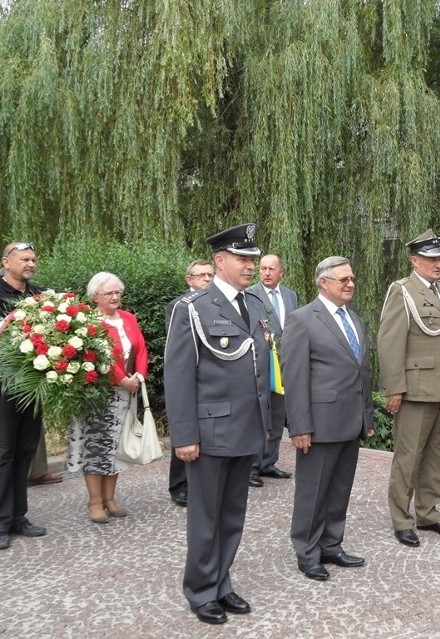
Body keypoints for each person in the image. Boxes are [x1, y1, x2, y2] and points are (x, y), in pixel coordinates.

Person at [164, 223, 270, 625]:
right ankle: (200, 589)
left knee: (232, 515)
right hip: (208, 433)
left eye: (253, 260)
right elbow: (178, 377)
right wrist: (185, 436)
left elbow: (260, 369)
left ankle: (222, 582)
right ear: (220, 260)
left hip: (245, 429)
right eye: (243, 259)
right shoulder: (192, 308)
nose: (249, 266)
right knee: (206, 516)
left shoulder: (255, 305)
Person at [281, 256, 374, 581]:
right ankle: (307, 552)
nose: (350, 284)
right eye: (343, 279)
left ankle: (331, 544)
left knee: (339, 489)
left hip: (350, 422)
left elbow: (361, 371)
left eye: (352, 278)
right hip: (318, 425)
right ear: (323, 282)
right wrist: (300, 425)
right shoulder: (302, 320)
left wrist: (367, 418)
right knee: (313, 491)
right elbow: (294, 377)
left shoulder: (355, 319)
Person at [378, 230, 440, 548]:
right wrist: (394, 388)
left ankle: (428, 512)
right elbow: (389, 342)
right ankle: (401, 518)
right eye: (430, 258)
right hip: (415, 388)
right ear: (415, 261)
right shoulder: (402, 291)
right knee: (408, 456)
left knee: (437, 455)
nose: (437, 264)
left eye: (439, 258)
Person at [0, 242, 46, 550]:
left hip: (32, 388)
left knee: (25, 452)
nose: (30, 264)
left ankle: (19, 517)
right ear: (6, 262)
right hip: (0, 387)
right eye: (24, 259)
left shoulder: (40, 294)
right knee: (2, 455)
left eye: (33, 259)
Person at [65, 272, 148, 524]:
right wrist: (121, 379)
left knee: (116, 448)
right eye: (108, 293)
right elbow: (98, 356)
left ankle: (110, 499)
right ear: (95, 297)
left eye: (117, 292)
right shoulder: (89, 322)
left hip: (128, 392)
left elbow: (142, 349)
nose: (114, 297)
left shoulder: (128, 318)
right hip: (99, 393)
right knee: (97, 447)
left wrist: (139, 377)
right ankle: (95, 502)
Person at [164, 259, 214, 507]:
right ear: (189, 279)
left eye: (210, 275)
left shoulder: (216, 304)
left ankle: (198, 485)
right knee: (185, 435)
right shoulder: (178, 306)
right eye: (201, 275)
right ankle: (179, 486)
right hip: (188, 378)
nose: (207, 279)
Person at [246, 254, 297, 486]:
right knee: (259, 417)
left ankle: (269, 462)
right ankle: (252, 468)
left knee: (278, 414)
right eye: (263, 268)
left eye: (271, 269)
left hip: (285, 365)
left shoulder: (290, 296)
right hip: (261, 363)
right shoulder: (250, 295)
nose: (266, 273)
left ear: (281, 273)